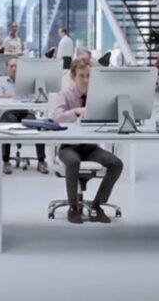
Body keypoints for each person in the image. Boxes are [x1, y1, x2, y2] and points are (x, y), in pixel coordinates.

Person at [52, 58, 124, 224]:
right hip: (68, 146)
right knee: (73, 162)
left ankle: (97, 205)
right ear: (73, 76)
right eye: (81, 76)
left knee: (116, 163)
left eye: (88, 76)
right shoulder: (65, 95)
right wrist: (77, 111)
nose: (86, 80)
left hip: (90, 146)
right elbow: (56, 117)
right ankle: (73, 207)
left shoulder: (97, 96)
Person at [0, 57, 47, 175]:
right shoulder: (2, 81)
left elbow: (34, 97)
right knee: (8, 124)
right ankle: (6, 161)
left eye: (16, 66)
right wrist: (12, 96)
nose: (14, 68)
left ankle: (41, 161)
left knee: (37, 125)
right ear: (7, 68)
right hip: (9, 112)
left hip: (25, 112)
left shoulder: (27, 82)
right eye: (11, 66)